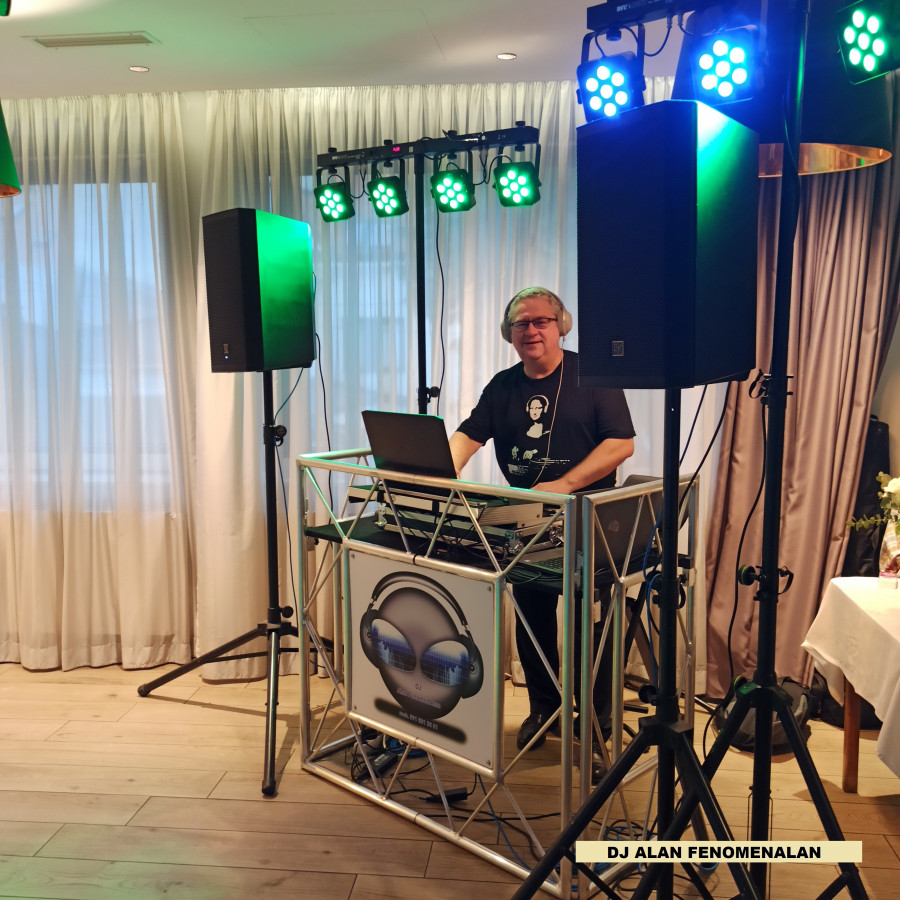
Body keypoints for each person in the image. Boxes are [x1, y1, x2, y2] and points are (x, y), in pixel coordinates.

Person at [449, 286, 635, 753]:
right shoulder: (502, 386)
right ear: (508, 333)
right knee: (532, 620)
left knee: (592, 624)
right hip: (524, 519)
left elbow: (621, 443)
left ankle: (595, 717)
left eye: (540, 321)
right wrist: (436, 469)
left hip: (589, 517)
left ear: (561, 326)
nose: (530, 330)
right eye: (520, 323)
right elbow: (468, 436)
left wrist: (565, 484)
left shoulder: (594, 375)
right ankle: (544, 708)